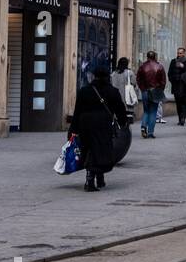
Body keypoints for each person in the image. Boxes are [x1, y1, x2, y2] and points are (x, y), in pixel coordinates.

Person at [67, 58, 128, 192]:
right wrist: (123, 123)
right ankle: (90, 179)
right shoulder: (112, 91)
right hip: (102, 124)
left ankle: (99, 178)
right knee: (101, 150)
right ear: (107, 77)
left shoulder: (84, 91)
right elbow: (120, 110)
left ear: (94, 76)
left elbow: (77, 111)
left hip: (85, 124)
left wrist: (73, 129)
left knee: (89, 149)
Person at [135, 51, 167, 139]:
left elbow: (138, 79)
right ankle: (150, 132)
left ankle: (143, 126)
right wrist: (160, 90)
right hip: (155, 91)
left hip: (145, 91)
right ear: (155, 57)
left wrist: (142, 89)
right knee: (153, 112)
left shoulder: (142, 66)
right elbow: (163, 81)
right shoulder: (159, 67)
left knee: (146, 111)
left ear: (147, 57)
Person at [110, 57, 137, 124]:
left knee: (116, 119)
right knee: (127, 121)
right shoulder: (129, 73)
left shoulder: (113, 74)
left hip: (115, 100)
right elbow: (134, 84)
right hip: (126, 102)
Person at [169, 47, 186, 126]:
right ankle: (180, 118)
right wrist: (173, 80)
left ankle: (183, 117)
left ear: (184, 53)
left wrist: (183, 67)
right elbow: (169, 73)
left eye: (180, 53)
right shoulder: (173, 61)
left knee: (184, 102)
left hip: (184, 86)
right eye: (178, 53)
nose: (179, 55)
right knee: (178, 103)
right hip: (176, 86)